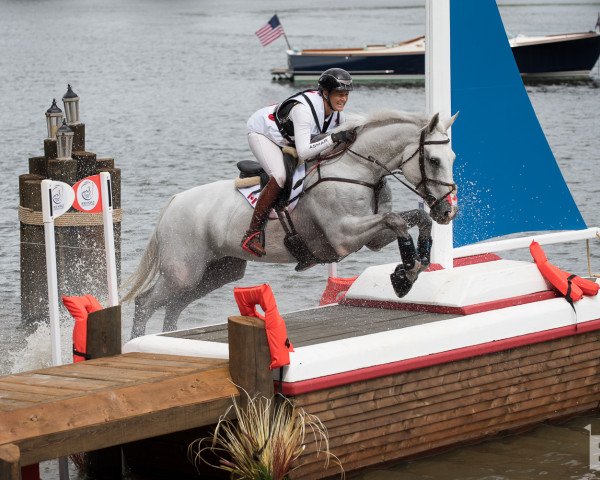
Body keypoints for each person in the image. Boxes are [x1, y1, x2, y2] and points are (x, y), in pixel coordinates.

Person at [241, 68, 356, 257]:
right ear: (325, 93)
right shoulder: (303, 111)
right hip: (263, 133)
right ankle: (252, 234)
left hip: (291, 140)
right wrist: (334, 138)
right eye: (339, 94)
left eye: (346, 94)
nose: (343, 99)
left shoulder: (337, 115)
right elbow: (304, 151)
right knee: (279, 176)